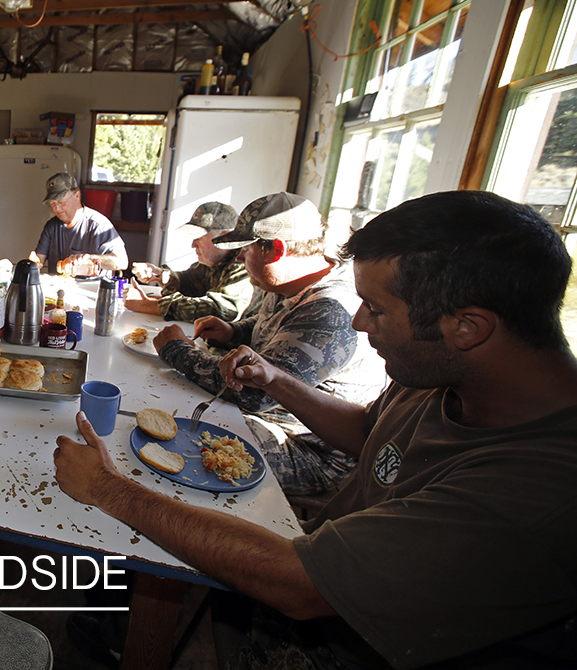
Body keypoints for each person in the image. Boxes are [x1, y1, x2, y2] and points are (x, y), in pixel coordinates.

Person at [55, 190, 577, 669]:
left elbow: (301, 586)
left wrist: (108, 490)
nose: (358, 324)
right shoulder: (445, 377)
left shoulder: (534, 491)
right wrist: (279, 379)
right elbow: (369, 432)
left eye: (376, 308)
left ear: (467, 326)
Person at [152, 192, 385, 495]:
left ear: (276, 250)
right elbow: (276, 333)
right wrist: (233, 333)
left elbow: (254, 393)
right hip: (267, 417)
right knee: (172, 409)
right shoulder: (284, 283)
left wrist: (176, 349)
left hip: (309, 448)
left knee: (181, 440)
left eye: (246, 249)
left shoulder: (329, 307)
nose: (238, 257)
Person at [125, 201, 254, 323]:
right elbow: (190, 281)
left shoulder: (243, 264)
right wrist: (160, 275)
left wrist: (150, 305)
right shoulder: (213, 262)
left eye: (199, 237)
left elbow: (223, 309)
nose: (193, 244)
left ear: (225, 237)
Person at [30, 172, 128, 275]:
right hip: (59, 286)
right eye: (53, 204)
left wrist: (90, 258)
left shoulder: (98, 225)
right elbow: (38, 260)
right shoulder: (52, 226)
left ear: (77, 195)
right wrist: (32, 265)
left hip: (91, 288)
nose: (57, 209)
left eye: (62, 202)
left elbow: (122, 262)